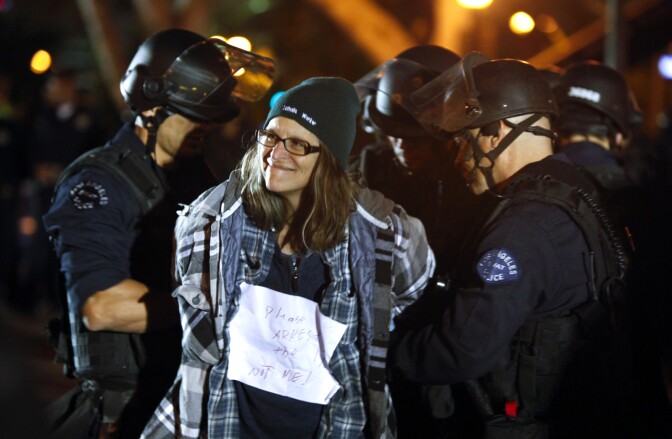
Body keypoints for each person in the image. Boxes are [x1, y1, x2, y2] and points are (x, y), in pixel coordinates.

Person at [141, 77, 435, 438]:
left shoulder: (385, 234)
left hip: (335, 425)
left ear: (329, 157)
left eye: (297, 144)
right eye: (271, 136)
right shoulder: (211, 222)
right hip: (227, 422)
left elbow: (411, 296)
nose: (275, 153)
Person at [42, 28, 275, 438]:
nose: (205, 126)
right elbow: (100, 306)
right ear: (151, 109)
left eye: (211, 117)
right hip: (125, 409)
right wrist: (212, 306)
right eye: (194, 115)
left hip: (190, 396)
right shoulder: (98, 182)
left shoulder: (196, 176)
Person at [390, 54, 638, 438]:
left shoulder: (521, 227)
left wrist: (387, 351)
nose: (457, 157)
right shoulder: (576, 188)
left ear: (496, 131)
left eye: (462, 139)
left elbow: (460, 350)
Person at [354, 45, 486, 277]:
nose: (403, 145)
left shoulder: (471, 184)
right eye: (395, 134)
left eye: (418, 139)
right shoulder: (367, 171)